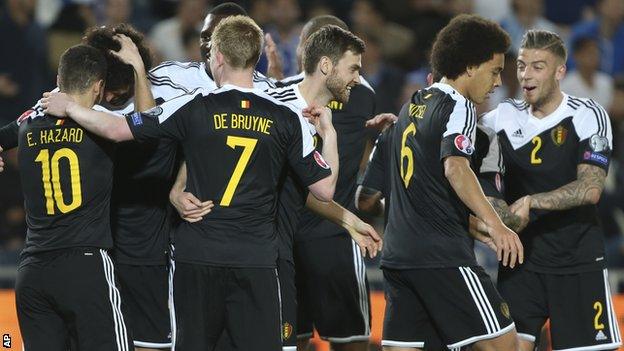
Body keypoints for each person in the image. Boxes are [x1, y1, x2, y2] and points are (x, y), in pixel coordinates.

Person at [42, 15, 337, 351]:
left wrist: (70, 107)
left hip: (197, 256)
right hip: (256, 259)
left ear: (219, 57)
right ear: (255, 60)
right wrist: (329, 134)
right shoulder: (286, 117)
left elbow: (118, 130)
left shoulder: (192, 104)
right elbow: (325, 190)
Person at [380, 14, 523, 351]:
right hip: (442, 256)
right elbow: (455, 169)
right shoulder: (458, 106)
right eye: (495, 70)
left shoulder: (409, 107)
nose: (498, 81)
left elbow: (422, 192)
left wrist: (475, 227)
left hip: (398, 256)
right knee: (504, 345)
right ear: (470, 66)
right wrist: (497, 225)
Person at [482, 29, 621, 351]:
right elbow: (456, 146)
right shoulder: (502, 117)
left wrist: (531, 202)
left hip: (576, 259)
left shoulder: (587, 114)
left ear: (560, 71)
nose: (526, 75)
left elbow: (590, 189)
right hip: (520, 263)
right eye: (521, 65)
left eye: (538, 66)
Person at [0, 44, 132, 351]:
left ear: (59, 78)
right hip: (85, 265)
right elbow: (139, 128)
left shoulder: (29, 121)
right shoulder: (103, 121)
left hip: (33, 269)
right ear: (99, 87)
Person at [274, 15, 378, 351]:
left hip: (307, 232)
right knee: (344, 339)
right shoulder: (361, 95)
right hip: (324, 231)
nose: (356, 76)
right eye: (353, 68)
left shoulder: (281, 95)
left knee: (299, 338)